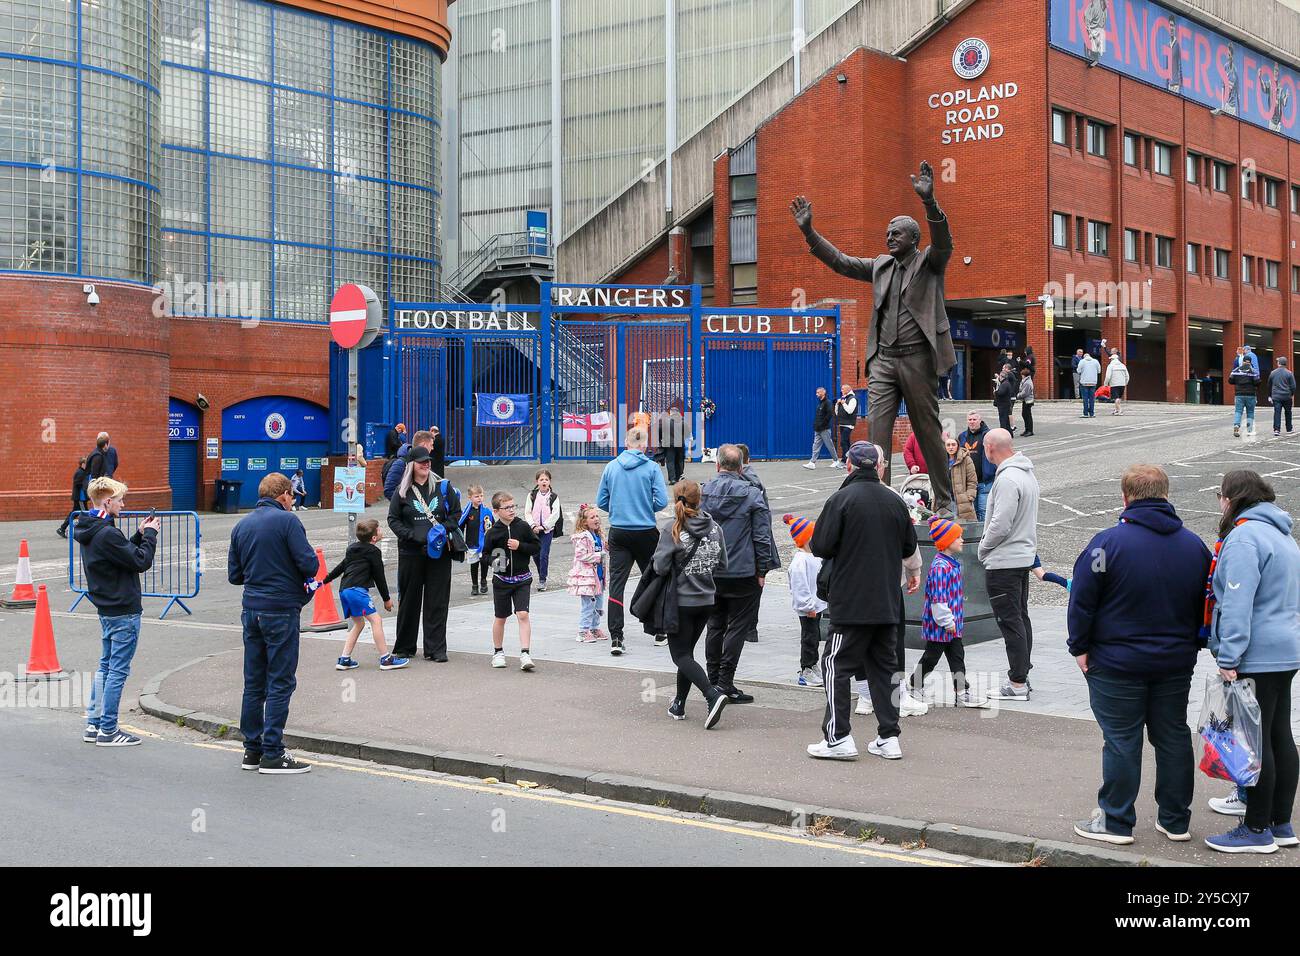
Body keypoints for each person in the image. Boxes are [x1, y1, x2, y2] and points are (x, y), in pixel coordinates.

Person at [791, 161, 957, 516]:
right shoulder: (881, 265)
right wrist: (810, 233)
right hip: (883, 360)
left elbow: (944, 242)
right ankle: (878, 502)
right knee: (876, 435)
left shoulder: (930, 263)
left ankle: (945, 500)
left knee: (927, 431)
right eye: (887, 233)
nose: (889, 238)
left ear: (913, 238)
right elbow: (841, 262)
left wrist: (930, 203)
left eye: (896, 233)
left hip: (917, 359)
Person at [1066, 465, 1212, 846]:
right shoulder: (1194, 546)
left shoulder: (1105, 545)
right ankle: (1176, 820)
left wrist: (1079, 647)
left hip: (1116, 663)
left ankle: (1115, 821)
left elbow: (1082, 601)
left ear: (1125, 497)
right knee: (1173, 736)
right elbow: (1207, 605)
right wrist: (1194, 645)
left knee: (1121, 740)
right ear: (1166, 495)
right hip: (1175, 662)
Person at [1204, 471, 1300, 854]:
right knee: (1279, 734)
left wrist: (1229, 655)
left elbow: (1238, 603)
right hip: (1286, 647)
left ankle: (1256, 828)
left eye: (1220, 494)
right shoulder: (1282, 533)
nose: (1219, 502)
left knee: (1255, 741)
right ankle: (1281, 823)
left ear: (1232, 497)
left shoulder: (1244, 537)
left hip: (1257, 651)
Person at [807, 442, 921, 760]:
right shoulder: (895, 501)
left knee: (834, 665)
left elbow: (820, 546)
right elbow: (909, 546)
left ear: (849, 465)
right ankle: (888, 737)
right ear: (878, 467)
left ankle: (838, 738)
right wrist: (914, 573)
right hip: (887, 599)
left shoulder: (841, 499)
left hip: (851, 600)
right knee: (885, 669)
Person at [227, 472, 320, 774]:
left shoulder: (241, 525)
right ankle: (273, 753)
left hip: (251, 610)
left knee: (254, 683)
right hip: (280, 610)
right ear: (283, 496)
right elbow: (309, 564)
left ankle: (251, 751)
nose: (294, 501)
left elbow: (234, 575)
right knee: (280, 681)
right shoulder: (288, 522)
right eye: (293, 496)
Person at [76, 477, 162, 748]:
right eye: (120, 500)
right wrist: (150, 535)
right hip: (123, 609)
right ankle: (109, 730)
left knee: (106, 666)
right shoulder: (107, 533)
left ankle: (94, 724)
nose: (123, 505)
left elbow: (119, 556)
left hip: (107, 607)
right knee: (117, 671)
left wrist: (137, 535)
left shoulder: (92, 528)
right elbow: (140, 561)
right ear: (107, 501)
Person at [701, 444, 777, 703]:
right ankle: (725, 683)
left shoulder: (704, 491)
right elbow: (762, 535)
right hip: (743, 569)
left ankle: (712, 682)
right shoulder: (752, 494)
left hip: (712, 569)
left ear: (718, 465)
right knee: (738, 627)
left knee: (715, 624)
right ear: (742, 467)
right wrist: (763, 569)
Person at [654, 479, 730, 729]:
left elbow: (660, 566)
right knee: (687, 653)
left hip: (681, 601)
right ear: (700, 499)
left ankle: (712, 694)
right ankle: (678, 703)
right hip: (707, 600)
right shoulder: (715, 528)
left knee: (681, 655)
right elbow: (723, 564)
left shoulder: (673, 529)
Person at [976, 429, 1039, 701]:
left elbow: (1000, 524)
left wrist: (982, 547)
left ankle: (1016, 683)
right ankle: (1022, 674)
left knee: (1009, 621)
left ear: (990, 448)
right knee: (1020, 617)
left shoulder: (1006, 479)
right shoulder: (1026, 473)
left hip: (1004, 561)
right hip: (1021, 558)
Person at [595, 427, 669, 656]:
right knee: (655, 579)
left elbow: (601, 501)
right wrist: (646, 507)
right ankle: (658, 630)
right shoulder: (651, 468)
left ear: (626, 443)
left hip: (619, 530)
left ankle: (616, 636)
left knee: (617, 584)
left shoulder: (612, 466)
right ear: (644, 445)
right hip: (645, 529)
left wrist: (617, 509)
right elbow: (662, 501)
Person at [387, 446, 462, 663]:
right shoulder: (402, 491)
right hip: (411, 553)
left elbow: (456, 514)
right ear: (412, 465)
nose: (426, 464)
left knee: (437, 601)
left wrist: (442, 529)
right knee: (409, 600)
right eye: (421, 462)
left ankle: (436, 649)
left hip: (439, 553)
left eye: (428, 461)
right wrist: (411, 535)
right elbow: (393, 519)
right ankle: (404, 647)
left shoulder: (443, 487)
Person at [913, 516, 986, 708]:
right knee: (931, 657)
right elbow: (938, 599)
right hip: (942, 625)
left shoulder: (949, 563)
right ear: (946, 542)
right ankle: (914, 685)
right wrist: (948, 621)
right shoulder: (940, 567)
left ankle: (961, 691)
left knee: (956, 656)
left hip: (950, 624)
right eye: (957, 537)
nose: (961, 540)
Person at [323, 518, 406, 671]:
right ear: (374, 538)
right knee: (376, 620)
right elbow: (379, 577)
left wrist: (325, 580)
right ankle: (385, 659)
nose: (381, 530)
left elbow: (341, 566)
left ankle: (344, 659)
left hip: (345, 590)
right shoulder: (374, 552)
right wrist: (387, 599)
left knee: (359, 623)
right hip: (357, 591)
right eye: (379, 529)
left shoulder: (352, 548)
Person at [483, 491, 540, 672]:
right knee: (501, 617)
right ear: (496, 511)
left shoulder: (522, 527)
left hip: (523, 579)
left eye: (513, 506)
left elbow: (536, 547)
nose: (511, 510)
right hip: (501, 580)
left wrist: (520, 546)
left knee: (522, 614)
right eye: (506, 507)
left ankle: (525, 653)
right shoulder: (492, 532)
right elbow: (484, 555)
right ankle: (498, 652)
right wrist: (494, 561)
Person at [785, 513, 826, 687]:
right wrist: (808, 606)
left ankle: (812, 665)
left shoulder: (813, 556)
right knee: (809, 638)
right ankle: (806, 669)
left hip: (816, 606)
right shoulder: (800, 561)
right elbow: (800, 586)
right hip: (809, 608)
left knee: (814, 637)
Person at [566, 503, 607, 643]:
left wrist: (606, 549)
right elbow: (581, 555)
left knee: (599, 604)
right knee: (588, 604)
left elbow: (602, 552)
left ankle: (594, 628)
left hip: (598, 575)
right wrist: (599, 555)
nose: (596, 519)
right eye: (592, 517)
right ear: (584, 522)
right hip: (586, 577)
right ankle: (583, 631)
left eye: (597, 516)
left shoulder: (598, 535)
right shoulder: (582, 537)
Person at [524, 469, 563, 591]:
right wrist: (533, 525)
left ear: (550, 481)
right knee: (535, 555)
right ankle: (542, 571)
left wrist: (545, 526)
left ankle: (542, 579)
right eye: (541, 479)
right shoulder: (532, 495)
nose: (544, 481)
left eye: (546, 479)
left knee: (543, 554)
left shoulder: (554, 497)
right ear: (537, 481)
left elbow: (555, 514)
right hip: (534, 530)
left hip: (547, 530)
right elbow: (527, 512)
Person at [958, 411, 995, 521]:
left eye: (974, 419)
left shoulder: (989, 435)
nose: (972, 422)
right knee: (971, 512)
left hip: (985, 481)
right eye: (970, 420)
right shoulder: (962, 436)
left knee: (984, 512)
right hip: (969, 483)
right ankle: (975, 537)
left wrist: (992, 472)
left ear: (980, 420)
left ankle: (985, 537)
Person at [458, 484, 493, 596]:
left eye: (481, 496)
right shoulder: (468, 512)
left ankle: (483, 581)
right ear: (470, 497)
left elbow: (493, 525)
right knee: (474, 565)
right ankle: (474, 585)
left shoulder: (487, 511)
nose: (480, 499)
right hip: (472, 543)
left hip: (484, 544)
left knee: (484, 563)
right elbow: (461, 526)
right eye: (477, 496)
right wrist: (460, 541)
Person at [383, 429, 433, 500]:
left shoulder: (426, 462)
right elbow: (389, 490)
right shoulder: (401, 463)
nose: (432, 448)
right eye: (431, 445)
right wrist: (407, 505)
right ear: (424, 445)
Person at [804, 387, 840, 469]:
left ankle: (836, 461)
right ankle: (812, 463)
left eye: (818, 392)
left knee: (829, 445)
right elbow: (818, 416)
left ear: (823, 393)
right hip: (817, 429)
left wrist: (823, 425)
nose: (816, 394)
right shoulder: (820, 403)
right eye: (816, 392)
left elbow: (830, 414)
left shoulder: (828, 403)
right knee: (815, 445)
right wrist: (816, 425)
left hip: (824, 429)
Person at [946, 434, 978, 523]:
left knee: (966, 527)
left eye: (953, 445)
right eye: (948, 445)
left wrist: (969, 496)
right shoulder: (941, 461)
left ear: (958, 446)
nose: (951, 447)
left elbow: (972, 480)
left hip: (963, 500)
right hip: (947, 499)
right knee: (948, 528)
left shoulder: (966, 459)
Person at [56, 456, 89, 538]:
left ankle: (62, 528)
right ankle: (87, 530)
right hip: (80, 498)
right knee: (85, 513)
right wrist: (86, 485)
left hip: (82, 497)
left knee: (75, 514)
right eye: (86, 464)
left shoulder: (83, 472)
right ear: (82, 464)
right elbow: (77, 483)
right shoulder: (80, 472)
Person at [1228, 357, 1259, 438]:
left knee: (1238, 411)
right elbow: (1257, 382)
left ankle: (1237, 426)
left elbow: (1230, 381)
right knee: (1250, 412)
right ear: (1250, 362)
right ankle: (1249, 430)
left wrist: (1237, 382)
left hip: (1239, 394)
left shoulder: (1236, 370)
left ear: (1243, 361)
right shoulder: (1253, 371)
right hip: (1251, 395)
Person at [1269, 356, 1295, 436]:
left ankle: (1277, 430)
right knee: (1288, 412)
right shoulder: (1289, 373)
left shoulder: (1273, 373)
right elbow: (1293, 386)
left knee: (1277, 412)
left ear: (1279, 363)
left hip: (1276, 396)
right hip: (1287, 396)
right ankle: (1289, 428)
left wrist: (1270, 395)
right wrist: (1291, 394)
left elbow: (1269, 385)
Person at [833, 385, 858, 461]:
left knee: (843, 442)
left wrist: (843, 403)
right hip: (842, 423)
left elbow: (850, 411)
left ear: (848, 389)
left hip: (849, 424)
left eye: (843, 389)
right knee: (846, 441)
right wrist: (837, 404)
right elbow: (837, 413)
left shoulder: (853, 399)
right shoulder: (844, 398)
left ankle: (845, 459)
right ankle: (850, 459)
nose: (841, 390)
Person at [1103, 349, 1129, 416]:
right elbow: (1127, 376)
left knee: (1116, 398)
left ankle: (1120, 410)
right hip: (1122, 384)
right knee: (1119, 398)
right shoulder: (1123, 365)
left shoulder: (1111, 366)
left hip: (1114, 384)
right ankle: (1116, 410)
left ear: (1112, 359)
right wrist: (1125, 383)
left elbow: (1108, 376)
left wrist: (1105, 384)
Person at [1077, 349, 1101, 417]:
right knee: (1092, 399)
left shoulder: (1082, 361)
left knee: (1085, 398)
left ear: (1084, 357)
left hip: (1084, 382)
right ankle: (1092, 413)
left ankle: (1085, 413)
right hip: (1093, 382)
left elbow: (1078, 371)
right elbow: (1099, 371)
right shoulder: (1096, 361)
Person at [993, 363, 1016, 433]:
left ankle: (1012, 426)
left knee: (1008, 414)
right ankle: (1010, 429)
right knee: (1008, 414)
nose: (1002, 369)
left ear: (1007, 369)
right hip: (1008, 398)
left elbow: (1001, 392)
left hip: (1009, 398)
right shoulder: (1007, 379)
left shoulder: (1009, 376)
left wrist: (995, 392)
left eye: (1003, 368)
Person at [1017, 366, 1035, 437]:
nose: (1021, 376)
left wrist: (1018, 395)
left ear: (1024, 375)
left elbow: (1025, 393)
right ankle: (1027, 429)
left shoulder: (1027, 383)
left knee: (1027, 415)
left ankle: (1030, 430)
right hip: (1026, 400)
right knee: (1024, 414)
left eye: (1022, 375)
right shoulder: (1026, 381)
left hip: (1028, 401)